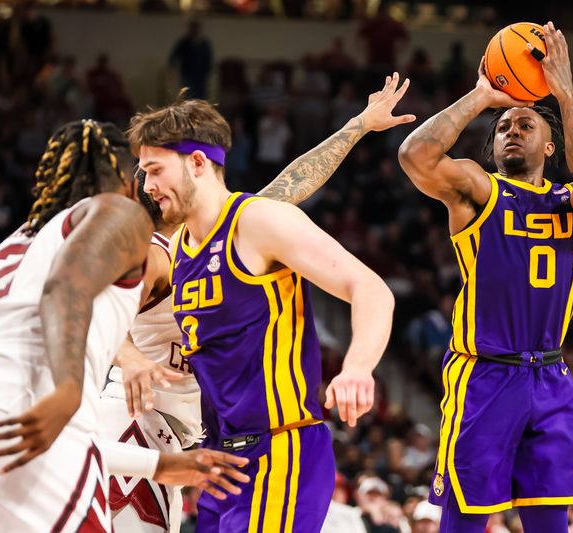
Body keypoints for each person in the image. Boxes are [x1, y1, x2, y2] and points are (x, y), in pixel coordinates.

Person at [104, 80, 417, 532]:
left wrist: (357, 367)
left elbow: (369, 289)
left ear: (196, 163)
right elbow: (293, 180)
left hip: (281, 448)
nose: (146, 185)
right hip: (219, 457)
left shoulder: (255, 221)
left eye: (154, 170)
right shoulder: (186, 249)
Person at [0, 120, 248, 532]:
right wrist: (68, 390)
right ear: (127, 183)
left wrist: (158, 465)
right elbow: (66, 288)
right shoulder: (123, 215)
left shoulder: (9, 247)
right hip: (24, 400)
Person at [398, 21, 573, 533]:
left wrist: (564, 94)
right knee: (466, 521)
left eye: (524, 126)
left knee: (550, 523)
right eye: (503, 128)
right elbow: (414, 156)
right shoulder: (479, 190)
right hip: (484, 375)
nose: (511, 130)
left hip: (550, 377)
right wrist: (479, 97)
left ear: (549, 149)